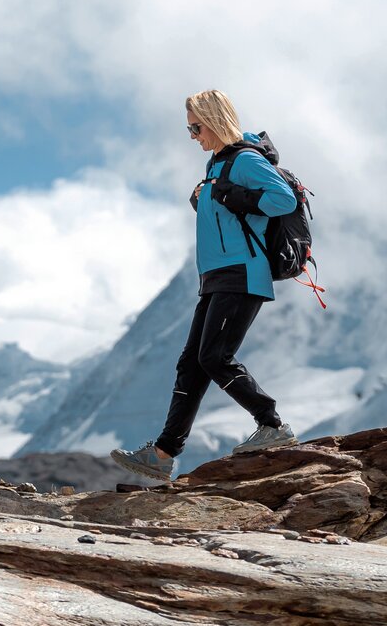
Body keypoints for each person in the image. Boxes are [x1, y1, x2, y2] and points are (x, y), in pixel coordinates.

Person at [111, 90, 299, 481]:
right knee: (192, 364)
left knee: (214, 357)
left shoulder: (245, 159)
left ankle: (273, 425)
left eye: (196, 127)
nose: (193, 136)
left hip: (242, 274)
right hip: (216, 277)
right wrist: (206, 198)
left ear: (214, 121)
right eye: (189, 129)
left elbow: (283, 200)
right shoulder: (217, 165)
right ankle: (163, 454)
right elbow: (225, 216)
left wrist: (233, 195)